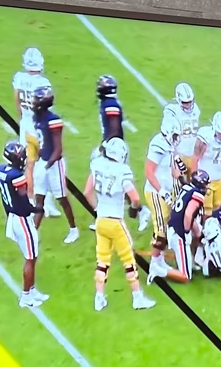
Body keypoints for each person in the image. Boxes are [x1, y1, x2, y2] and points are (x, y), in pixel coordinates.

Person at [87, 137, 154, 313]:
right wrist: (134, 209)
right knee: (128, 260)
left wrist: (97, 209)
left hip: (100, 220)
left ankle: (99, 297)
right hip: (115, 221)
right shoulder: (122, 171)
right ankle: (137, 297)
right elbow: (135, 198)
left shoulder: (97, 165)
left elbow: (87, 192)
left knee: (102, 260)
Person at [0, 140, 46, 309]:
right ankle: (25, 296)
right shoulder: (17, 177)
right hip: (21, 218)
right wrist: (37, 208)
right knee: (30, 258)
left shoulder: (1, 170)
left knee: (33, 255)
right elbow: (24, 203)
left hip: (13, 215)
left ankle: (31, 290)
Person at [28, 85, 79, 244]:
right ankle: (33, 234)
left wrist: (46, 166)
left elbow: (58, 149)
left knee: (61, 198)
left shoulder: (53, 120)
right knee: (39, 200)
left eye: (36, 100)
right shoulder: (36, 117)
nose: (33, 102)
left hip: (55, 164)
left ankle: (73, 229)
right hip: (43, 161)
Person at [142, 109, 179, 277]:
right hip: (155, 192)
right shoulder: (158, 143)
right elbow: (149, 172)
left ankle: (159, 259)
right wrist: (162, 191)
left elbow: (170, 167)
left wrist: (177, 175)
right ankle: (154, 265)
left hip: (166, 190)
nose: (177, 138)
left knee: (167, 223)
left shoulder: (169, 143)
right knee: (161, 229)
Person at [165, 168, 212, 281]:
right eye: (205, 184)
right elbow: (188, 214)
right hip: (179, 233)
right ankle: (159, 270)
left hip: (173, 226)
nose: (206, 187)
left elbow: (190, 218)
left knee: (199, 234)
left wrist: (198, 233)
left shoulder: (187, 187)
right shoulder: (198, 195)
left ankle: (189, 260)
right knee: (186, 276)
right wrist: (185, 233)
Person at [196, 110, 221, 210]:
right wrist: (195, 179)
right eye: (220, 134)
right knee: (206, 209)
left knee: (219, 208)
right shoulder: (205, 137)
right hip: (205, 180)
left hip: (218, 179)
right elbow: (195, 158)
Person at [96, 74, 124, 141]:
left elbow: (114, 129)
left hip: (113, 145)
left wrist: (108, 144)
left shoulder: (110, 105)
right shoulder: (109, 102)